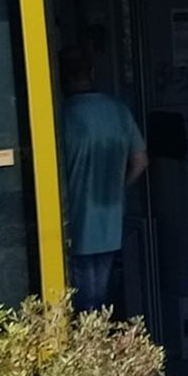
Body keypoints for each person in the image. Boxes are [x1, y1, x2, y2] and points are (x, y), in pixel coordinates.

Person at [60, 46, 146, 314]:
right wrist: (118, 190)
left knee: (82, 302)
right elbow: (142, 162)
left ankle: (88, 351)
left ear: (61, 78)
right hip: (109, 223)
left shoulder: (62, 117)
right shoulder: (119, 111)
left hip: (74, 223)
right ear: (93, 73)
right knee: (100, 298)